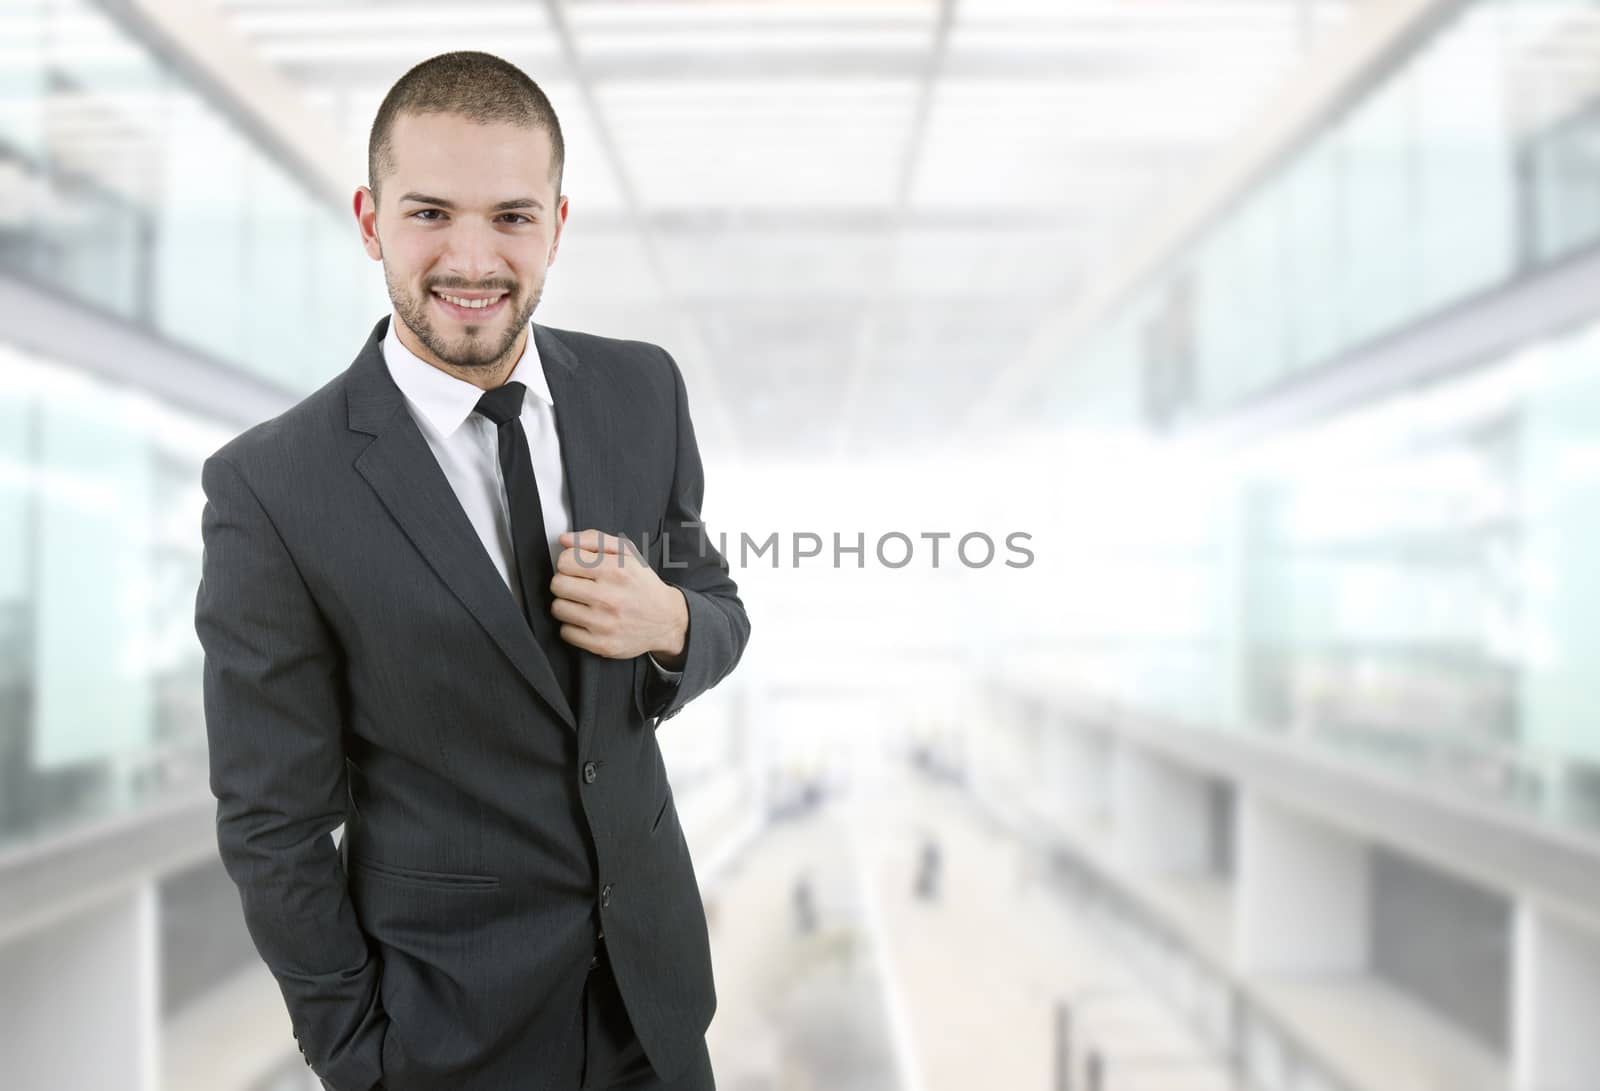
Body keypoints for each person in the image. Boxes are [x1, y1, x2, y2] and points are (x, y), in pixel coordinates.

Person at [193, 51, 750, 1091]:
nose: (471, 257)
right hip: (446, 1043)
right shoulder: (273, 488)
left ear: (556, 222)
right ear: (370, 220)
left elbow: (719, 608)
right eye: (430, 213)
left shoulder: (642, 392)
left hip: (656, 1015)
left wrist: (668, 618)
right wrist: (360, 1058)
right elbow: (273, 823)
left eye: (509, 216)